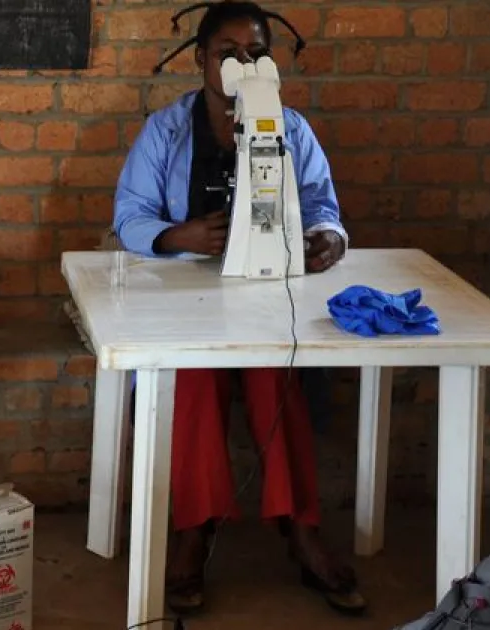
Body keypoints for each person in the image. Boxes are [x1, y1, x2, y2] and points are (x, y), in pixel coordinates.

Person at [112, 0, 366, 617]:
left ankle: (300, 528)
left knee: (276, 374)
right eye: (227, 53)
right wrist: (178, 236)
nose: (241, 64)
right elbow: (129, 217)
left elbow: (323, 206)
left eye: (255, 54)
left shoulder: (290, 129)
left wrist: (327, 239)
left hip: (262, 296)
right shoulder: (167, 131)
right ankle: (194, 529)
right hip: (183, 298)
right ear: (201, 59)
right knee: (194, 378)